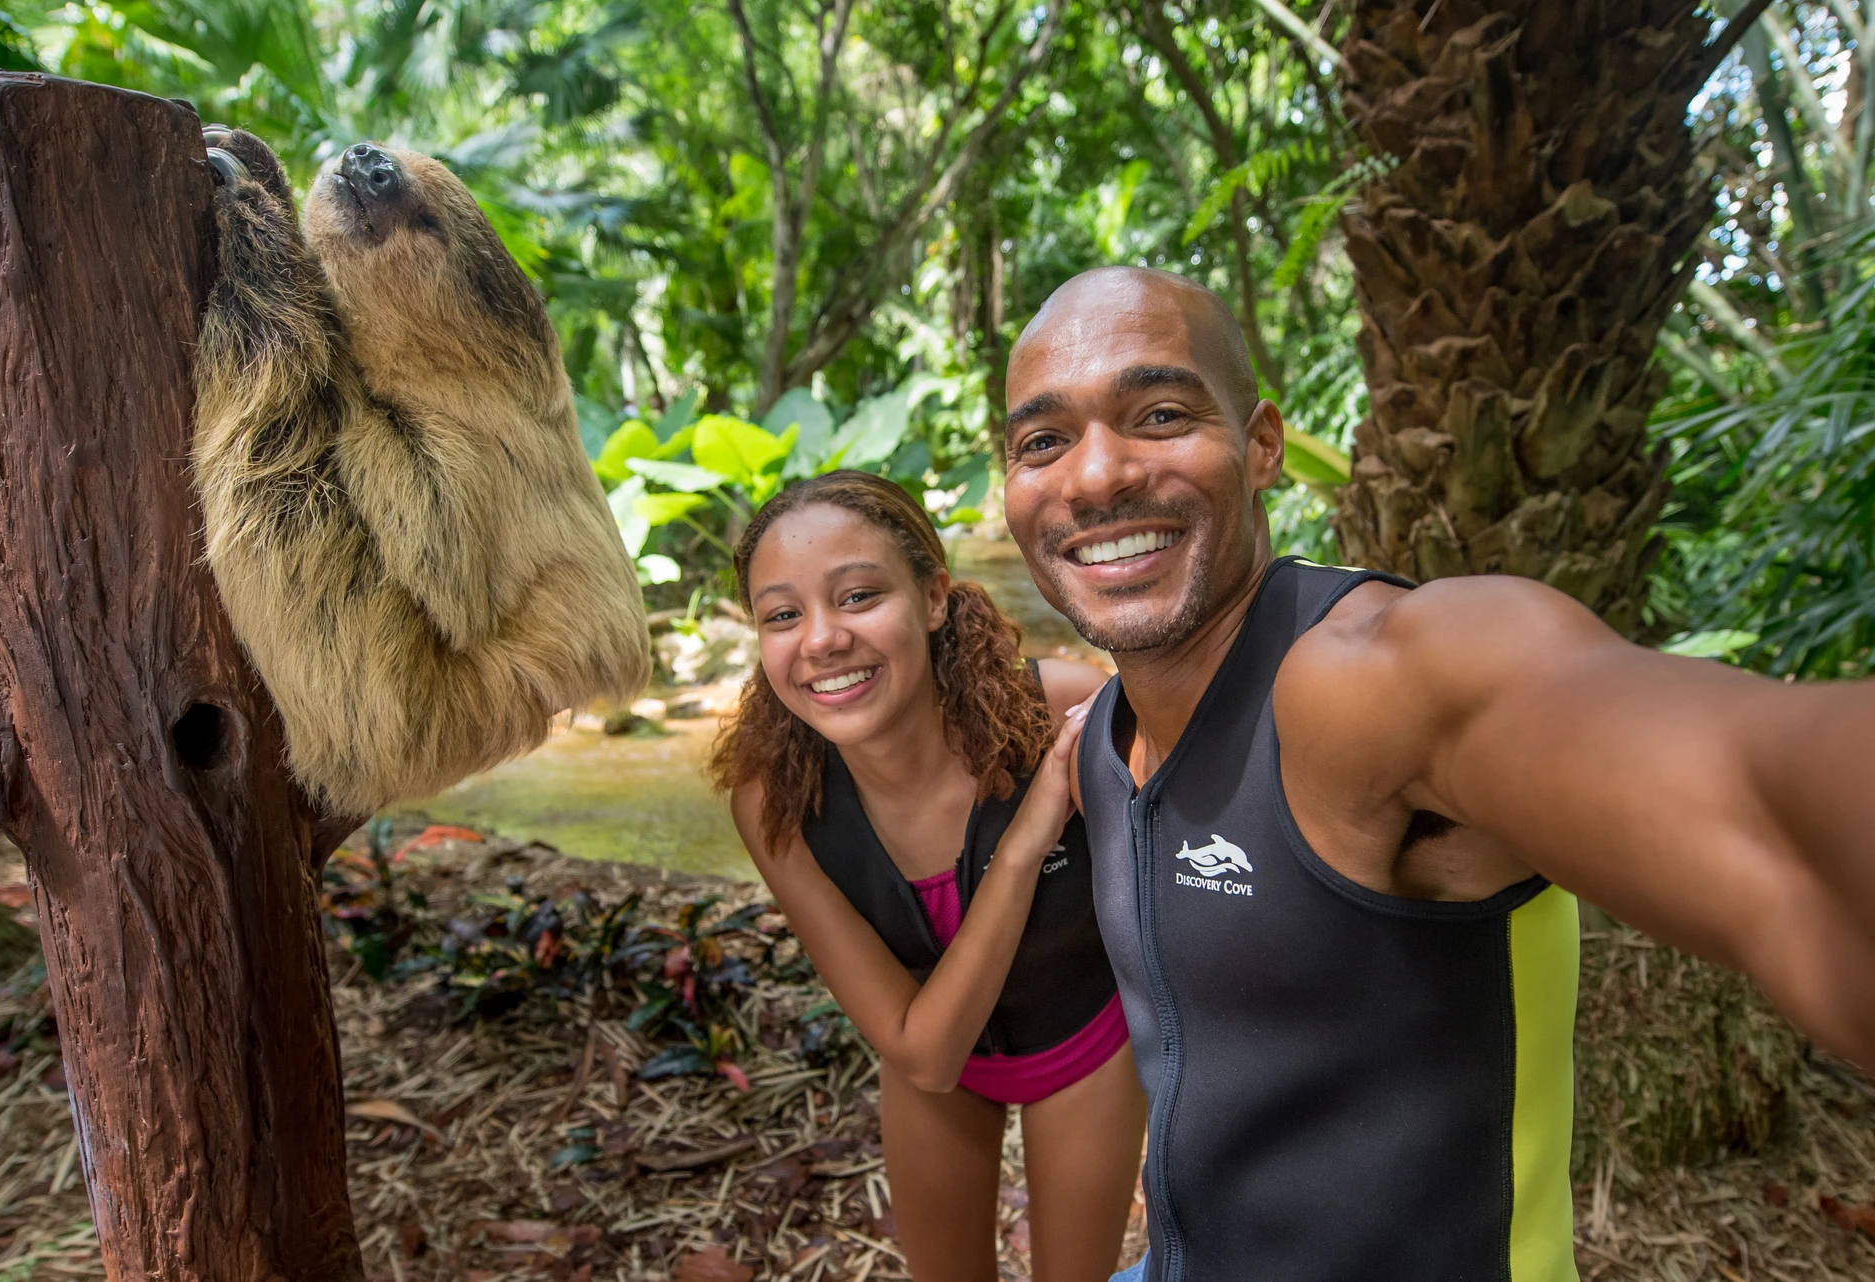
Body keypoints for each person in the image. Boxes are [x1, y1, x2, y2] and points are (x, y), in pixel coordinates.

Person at [998, 266, 1875, 1282]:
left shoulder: (1362, 689)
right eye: (1043, 441)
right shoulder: (1105, 738)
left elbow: (1766, 803)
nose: (1096, 475)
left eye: (1158, 413)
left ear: (1262, 444)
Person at [709, 471, 1146, 1282]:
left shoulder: (1067, 715)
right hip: (939, 1068)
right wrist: (1024, 844)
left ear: (934, 598)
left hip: (1086, 1046)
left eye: (858, 596)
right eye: (782, 615)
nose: (822, 639)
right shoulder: (774, 804)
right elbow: (925, 1056)